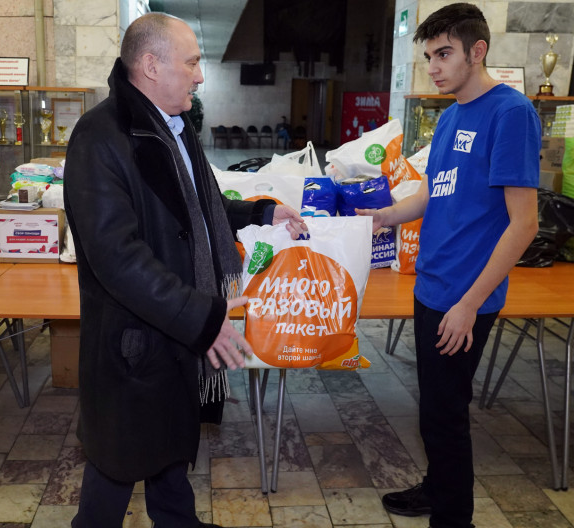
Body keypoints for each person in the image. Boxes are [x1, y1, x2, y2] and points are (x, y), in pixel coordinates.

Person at [63, 12, 306, 528]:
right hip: (135, 336)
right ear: (152, 66)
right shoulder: (101, 137)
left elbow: (198, 207)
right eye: (192, 63)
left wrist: (261, 213)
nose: (200, 76)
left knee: (170, 441)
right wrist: (201, 316)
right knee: (116, 461)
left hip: (172, 322)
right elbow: (117, 258)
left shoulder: (172, 127)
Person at [357, 4, 539, 528]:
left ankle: (454, 517)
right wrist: (386, 216)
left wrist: (469, 304)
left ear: (477, 51)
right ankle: (438, 489)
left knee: (446, 415)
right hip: (432, 287)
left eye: (443, 54)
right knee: (434, 408)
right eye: (429, 57)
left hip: (464, 296)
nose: (433, 68)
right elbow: (433, 193)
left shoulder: (510, 114)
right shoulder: (452, 114)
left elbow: (524, 224)